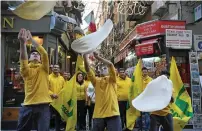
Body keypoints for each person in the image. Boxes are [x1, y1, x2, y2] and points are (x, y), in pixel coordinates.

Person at [17, 28, 52, 131]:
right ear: (30, 58)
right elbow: (23, 59)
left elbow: (45, 54)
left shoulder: (44, 69)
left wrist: (32, 40)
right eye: (33, 54)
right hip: (28, 105)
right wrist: (23, 43)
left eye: (37, 54)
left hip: (44, 106)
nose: (36, 54)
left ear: (40, 59)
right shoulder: (26, 70)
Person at [84, 52, 122, 131]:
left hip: (113, 113)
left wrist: (98, 58)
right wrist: (85, 55)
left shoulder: (112, 79)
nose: (102, 69)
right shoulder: (96, 81)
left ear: (109, 71)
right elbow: (87, 69)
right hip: (98, 114)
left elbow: (110, 64)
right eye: (101, 68)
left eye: (105, 68)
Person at [49, 64, 65, 131]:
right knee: (48, 117)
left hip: (59, 101)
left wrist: (59, 94)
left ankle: (57, 129)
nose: (56, 68)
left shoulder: (62, 78)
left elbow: (64, 88)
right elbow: (45, 88)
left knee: (58, 117)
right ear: (52, 69)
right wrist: (52, 94)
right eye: (54, 67)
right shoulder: (48, 77)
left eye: (57, 67)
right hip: (50, 101)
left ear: (59, 69)